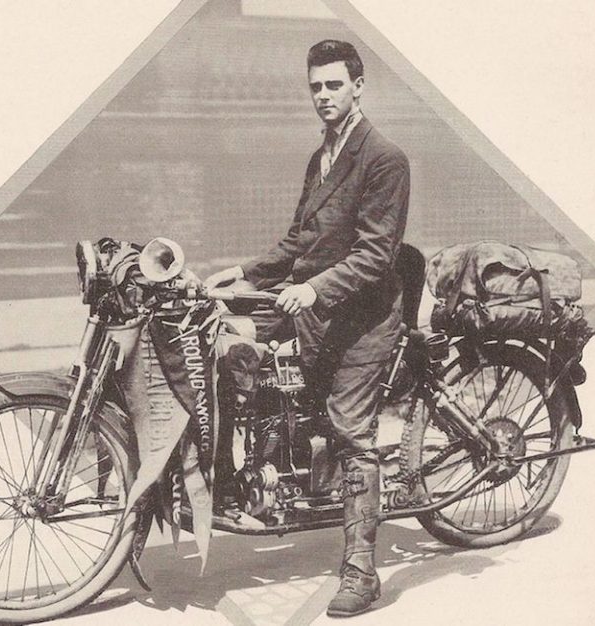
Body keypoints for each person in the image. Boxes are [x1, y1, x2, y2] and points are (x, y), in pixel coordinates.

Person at [204, 40, 410, 617]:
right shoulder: (322, 153)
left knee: (352, 433)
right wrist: (245, 272)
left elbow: (376, 254)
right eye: (316, 86)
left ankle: (362, 573)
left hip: (364, 315)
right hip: (310, 302)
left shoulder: (383, 157)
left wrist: (314, 287)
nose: (323, 95)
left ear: (358, 86)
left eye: (334, 85)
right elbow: (301, 240)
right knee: (222, 345)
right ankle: (233, 485)